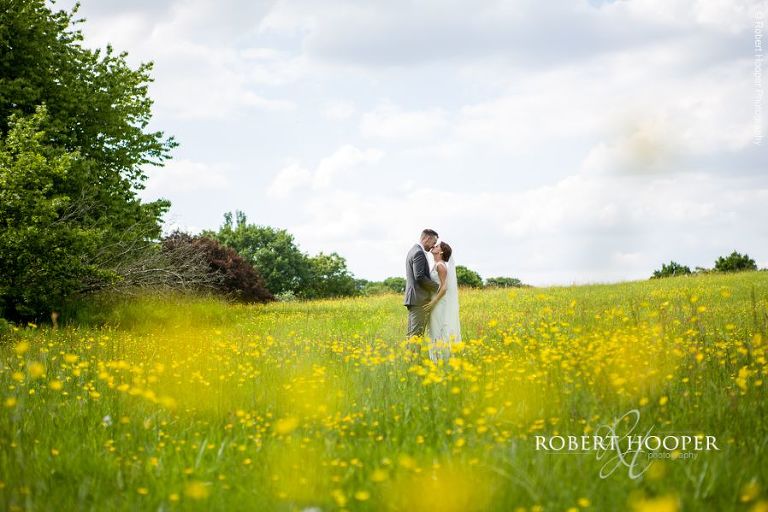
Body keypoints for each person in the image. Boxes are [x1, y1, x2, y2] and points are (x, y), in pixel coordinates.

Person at [425, 241, 461, 362]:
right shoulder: (436, 264)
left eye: (437, 246)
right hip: (436, 302)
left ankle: (440, 359)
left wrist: (433, 302)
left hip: (438, 303)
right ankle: (437, 358)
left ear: (441, 252)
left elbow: (444, 288)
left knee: (438, 328)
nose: (434, 246)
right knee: (434, 328)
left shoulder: (441, 266)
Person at [404, 229, 439, 339]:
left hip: (415, 299)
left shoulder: (413, 250)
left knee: (412, 336)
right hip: (419, 299)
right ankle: (413, 356)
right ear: (427, 238)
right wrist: (438, 287)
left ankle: (410, 356)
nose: (433, 246)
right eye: (433, 242)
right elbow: (419, 277)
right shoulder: (418, 252)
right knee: (416, 337)